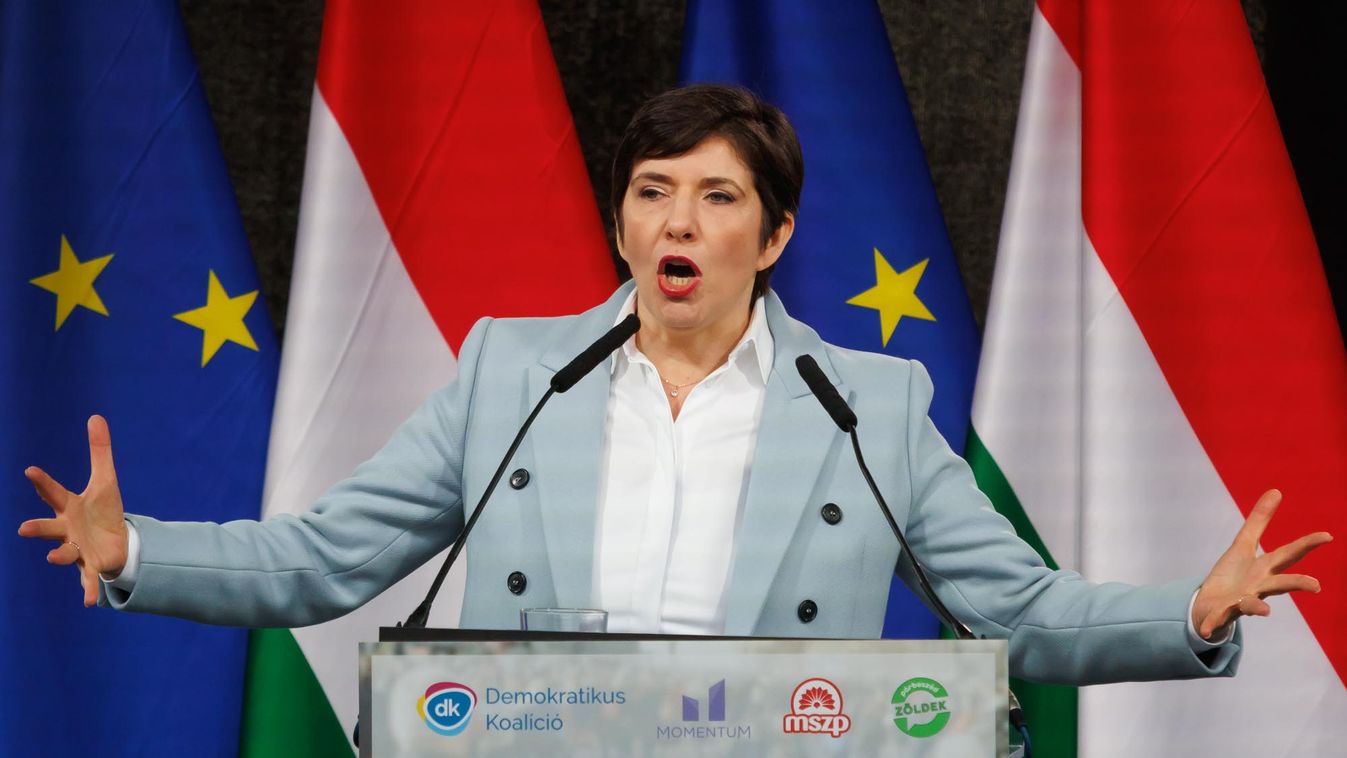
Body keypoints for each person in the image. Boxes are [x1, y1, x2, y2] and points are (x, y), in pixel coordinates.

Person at [18, 85, 1330, 684]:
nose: (679, 221)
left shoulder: (867, 404)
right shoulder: (513, 372)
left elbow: (1018, 610)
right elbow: (321, 558)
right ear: (623, 225)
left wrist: (1189, 612)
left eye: (717, 196)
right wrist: (137, 549)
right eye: (653, 193)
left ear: (775, 235)